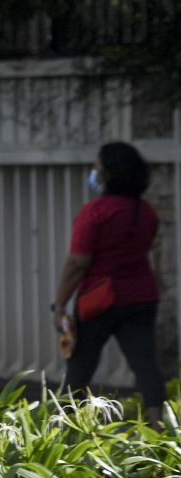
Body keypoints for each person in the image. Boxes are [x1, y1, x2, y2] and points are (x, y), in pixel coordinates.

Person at [52, 142, 165, 429]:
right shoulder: (145, 212)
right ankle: (160, 429)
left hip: (97, 301)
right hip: (140, 297)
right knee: (145, 364)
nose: (94, 172)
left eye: (98, 167)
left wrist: (59, 303)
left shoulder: (95, 212)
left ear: (109, 173)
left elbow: (78, 262)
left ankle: (63, 432)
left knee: (80, 367)